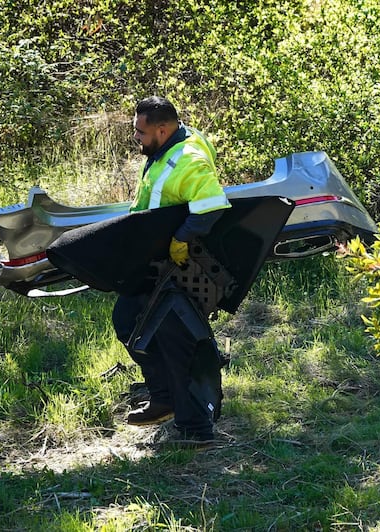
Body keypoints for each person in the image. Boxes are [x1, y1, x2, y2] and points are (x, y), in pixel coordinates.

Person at [112, 96, 231, 444]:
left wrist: (181, 239)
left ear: (163, 130)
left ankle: (196, 431)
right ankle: (164, 397)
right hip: (151, 261)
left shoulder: (189, 159)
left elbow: (211, 205)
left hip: (177, 265)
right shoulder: (170, 144)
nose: (136, 137)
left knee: (176, 339)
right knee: (127, 320)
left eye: (141, 131)